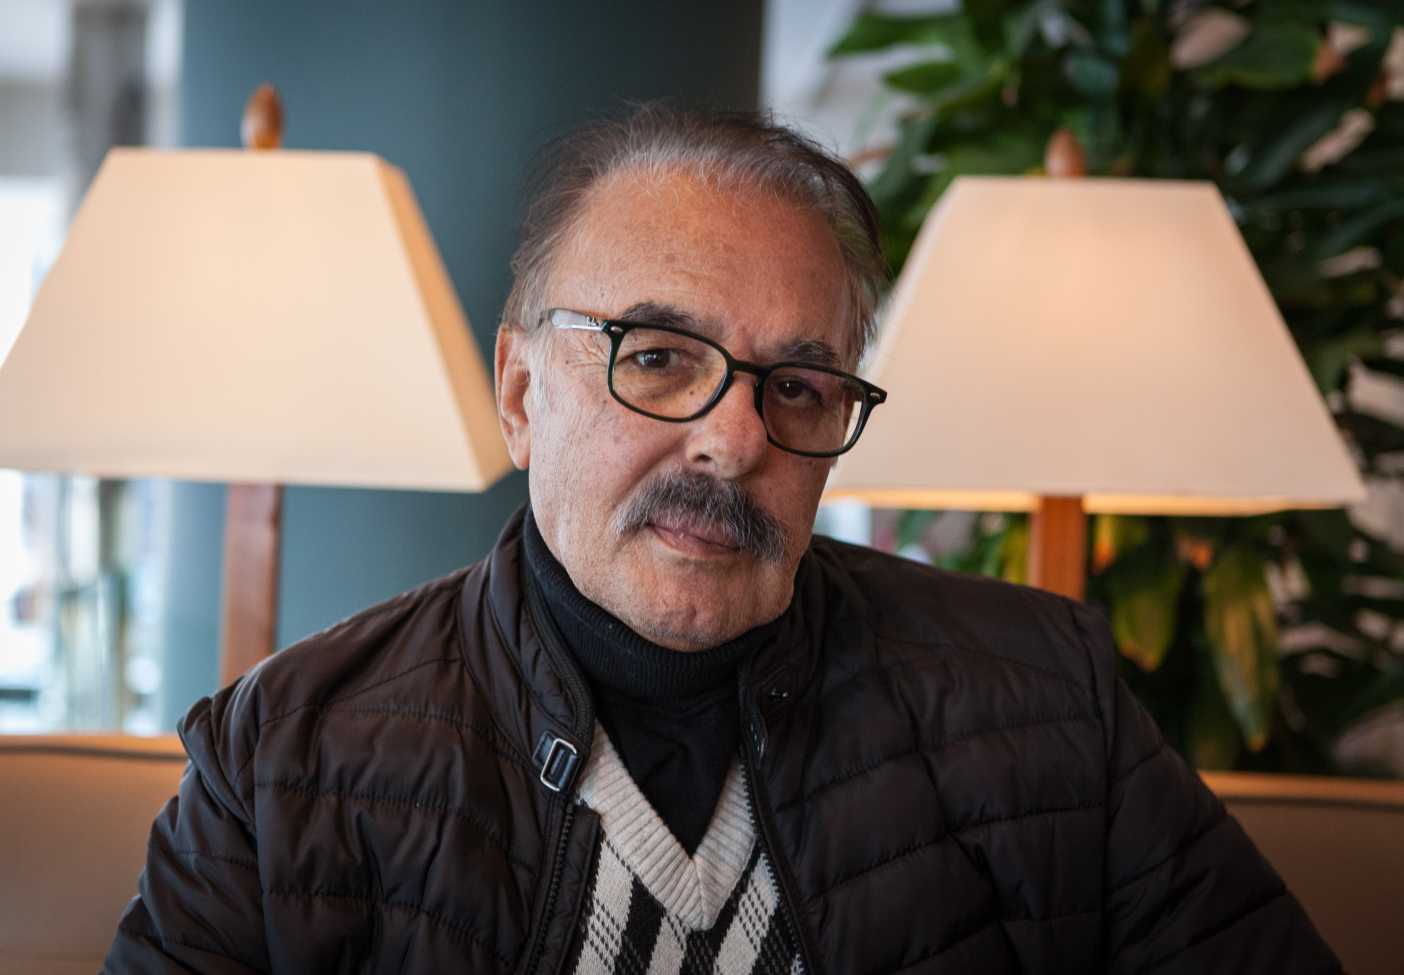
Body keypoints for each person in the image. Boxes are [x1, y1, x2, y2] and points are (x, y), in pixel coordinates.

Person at [105, 105, 1338, 974]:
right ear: (522, 393)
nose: (733, 440)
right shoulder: (284, 757)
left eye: (798, 386)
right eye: (657, 358)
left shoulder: (1047, 703)